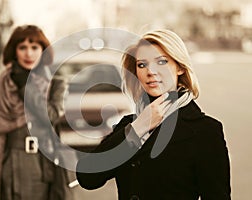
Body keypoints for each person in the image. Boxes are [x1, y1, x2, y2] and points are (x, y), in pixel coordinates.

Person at [76, 29, 231, 199]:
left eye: (162, 62)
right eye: (142, 64)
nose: (150, 71)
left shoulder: (205, 130)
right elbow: (88, 178)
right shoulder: (130, 125)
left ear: (179, 67)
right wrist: (139, 127)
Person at [0, 25, 72, 200]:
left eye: (34, 48)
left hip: (41, 167)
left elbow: (51, 117)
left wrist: (27, 87)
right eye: (22, 48)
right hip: (3, 165)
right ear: (14, 51)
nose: (28, 54)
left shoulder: (55, 84)